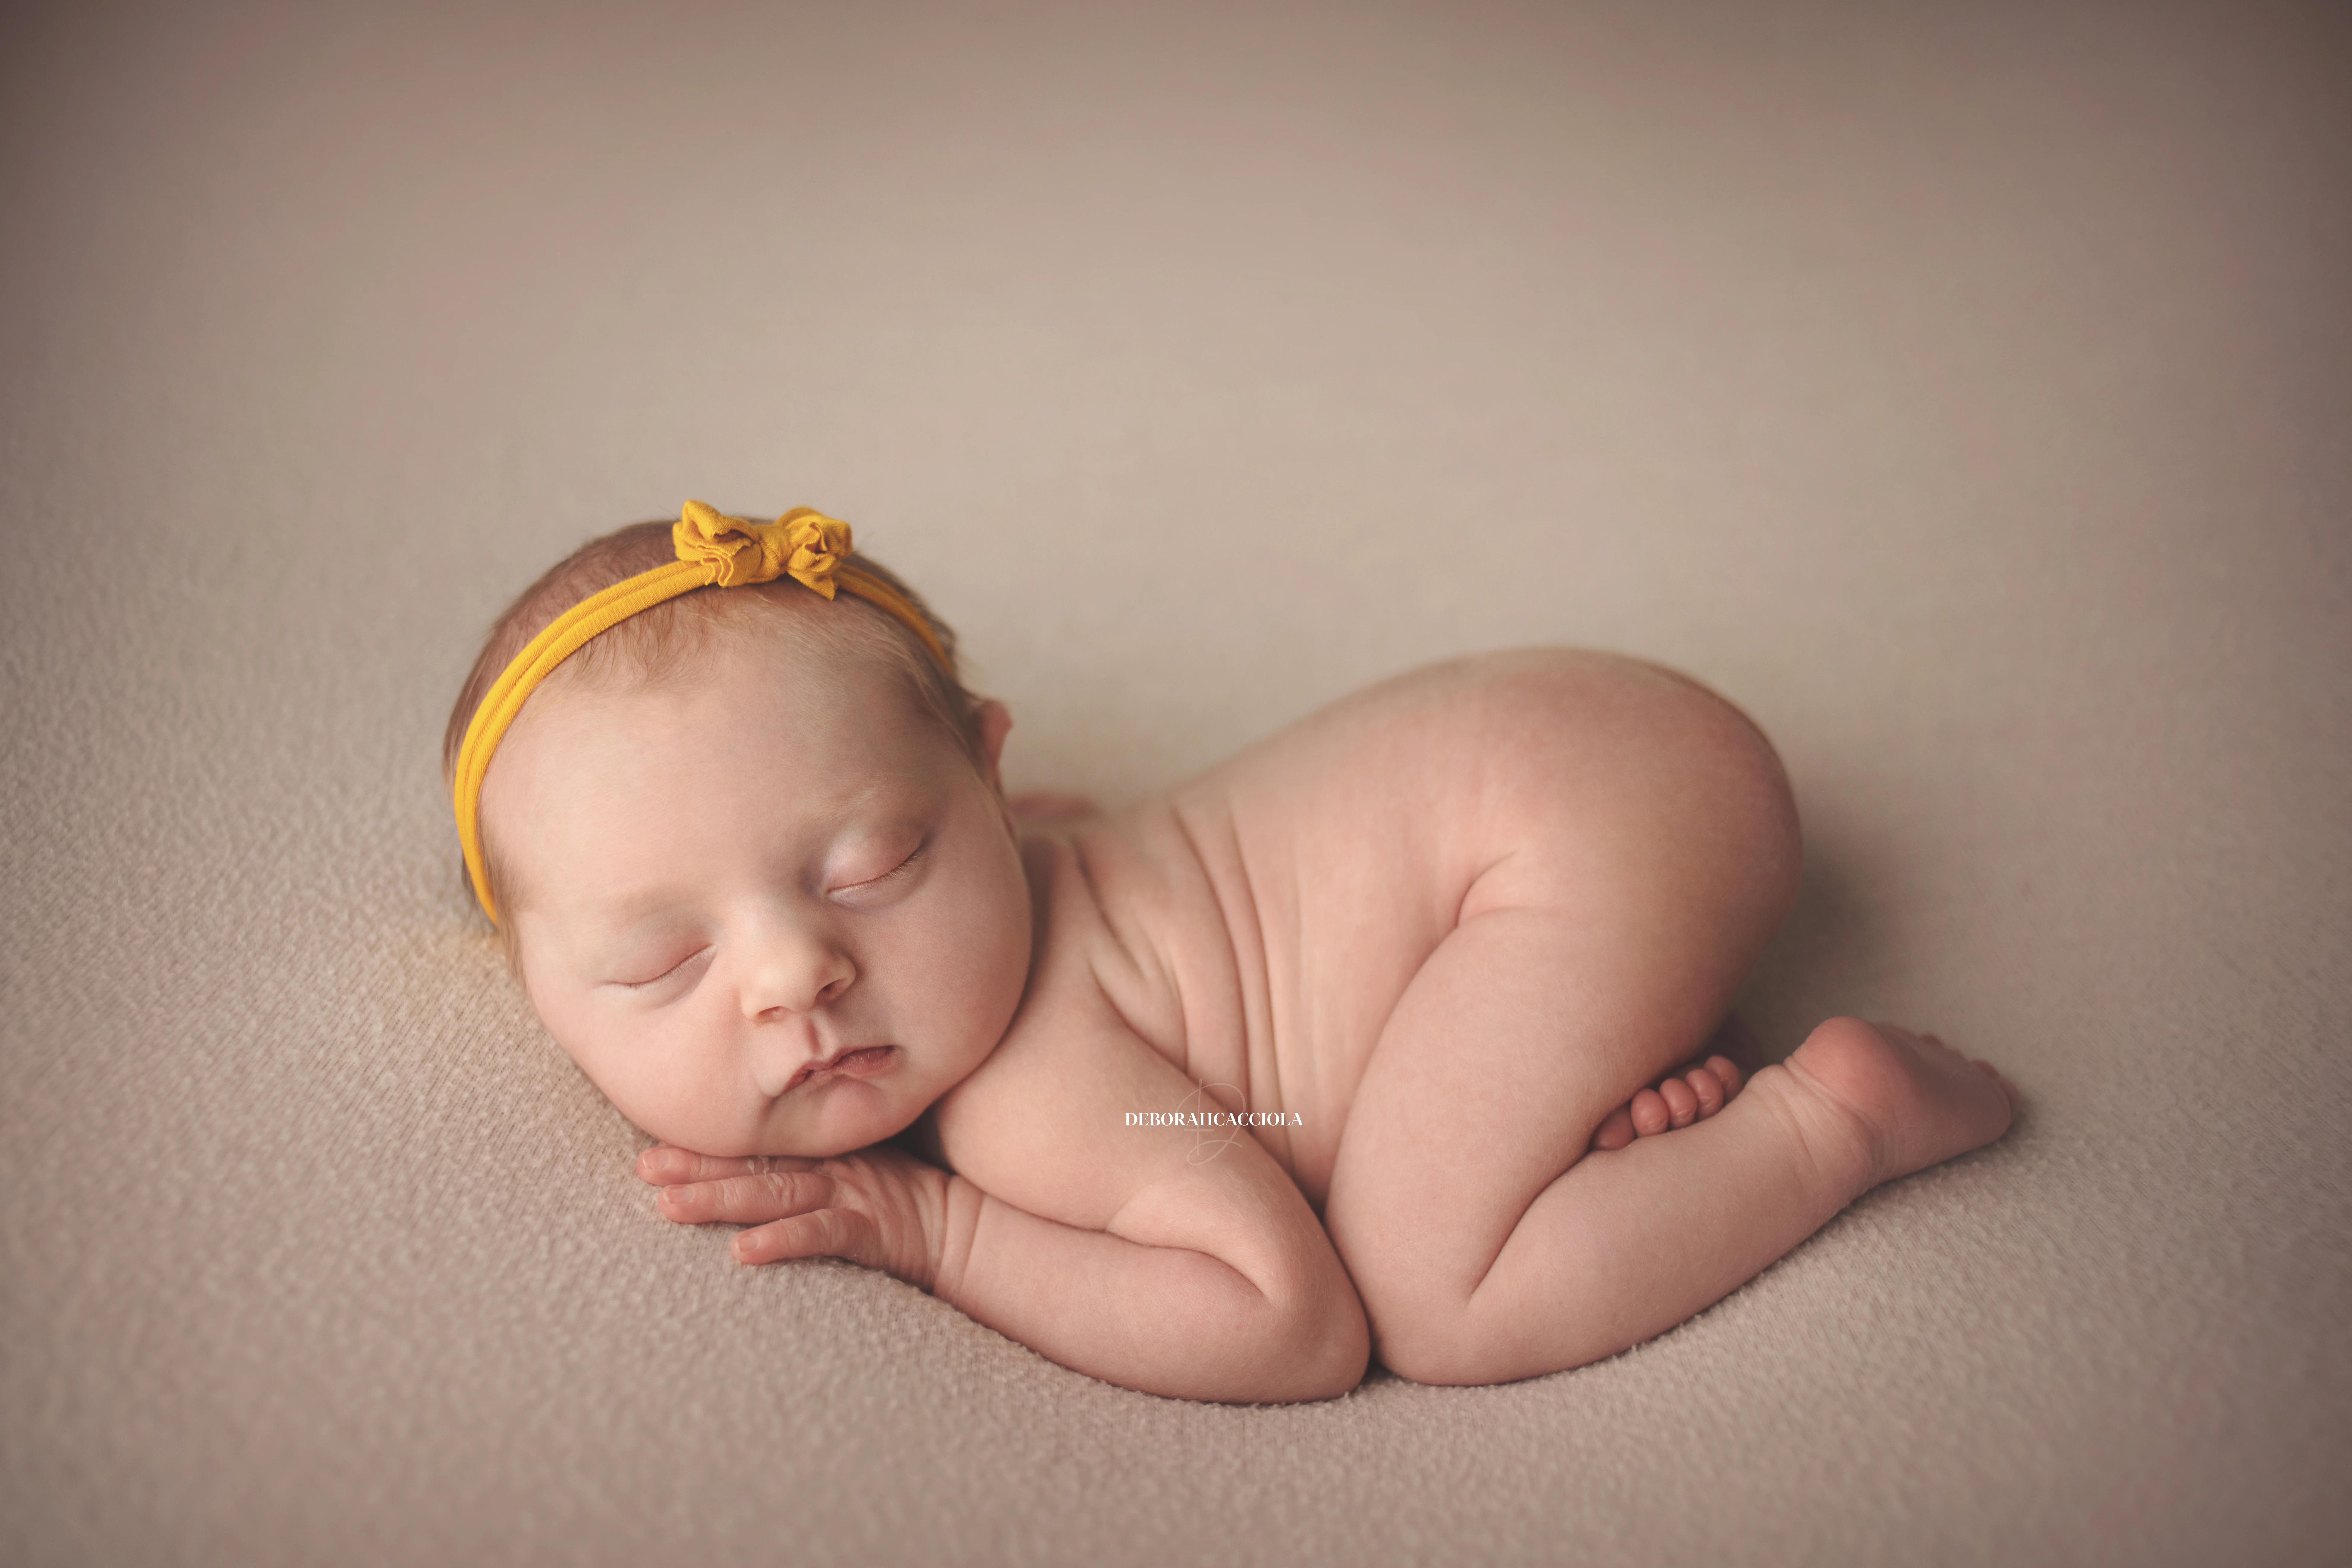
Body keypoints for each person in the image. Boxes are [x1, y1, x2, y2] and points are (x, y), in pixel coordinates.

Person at [445, 501, 2018, 1403]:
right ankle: (1644, 1053)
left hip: (1565, 828)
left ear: (991, 781)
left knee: (1441, 1297)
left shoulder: (1027, 1095)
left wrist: (940, 1236)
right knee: (1447, 1111)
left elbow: (1291, 1323)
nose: (794, 975)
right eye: (659, 963)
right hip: (1584, 749)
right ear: (527, 987)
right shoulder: (1047, 860)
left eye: (880, 865)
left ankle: (1832, 1121)